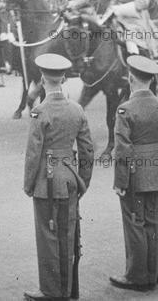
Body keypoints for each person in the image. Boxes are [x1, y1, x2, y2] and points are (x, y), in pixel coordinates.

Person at [110, 55, 158, 291]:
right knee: (153, 225)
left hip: (134, 176)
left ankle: (136, 277)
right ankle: (152, 275)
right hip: (157, 174)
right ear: (153, 80)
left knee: (135, 224)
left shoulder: (125, 109)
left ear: (130, 79)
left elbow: (122, 149)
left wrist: (120, 181)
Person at [23, 54, 94, 301]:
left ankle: (51, 290)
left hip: (47, 181)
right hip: (70, 179)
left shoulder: (39, 112)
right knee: (68, 234)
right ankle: (68, 289)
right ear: (63, 78)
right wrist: (83, 180)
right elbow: (87, 149)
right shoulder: (77, 109)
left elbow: (33, 154)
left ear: (42, 79)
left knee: (48, 238)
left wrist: (28, 184)